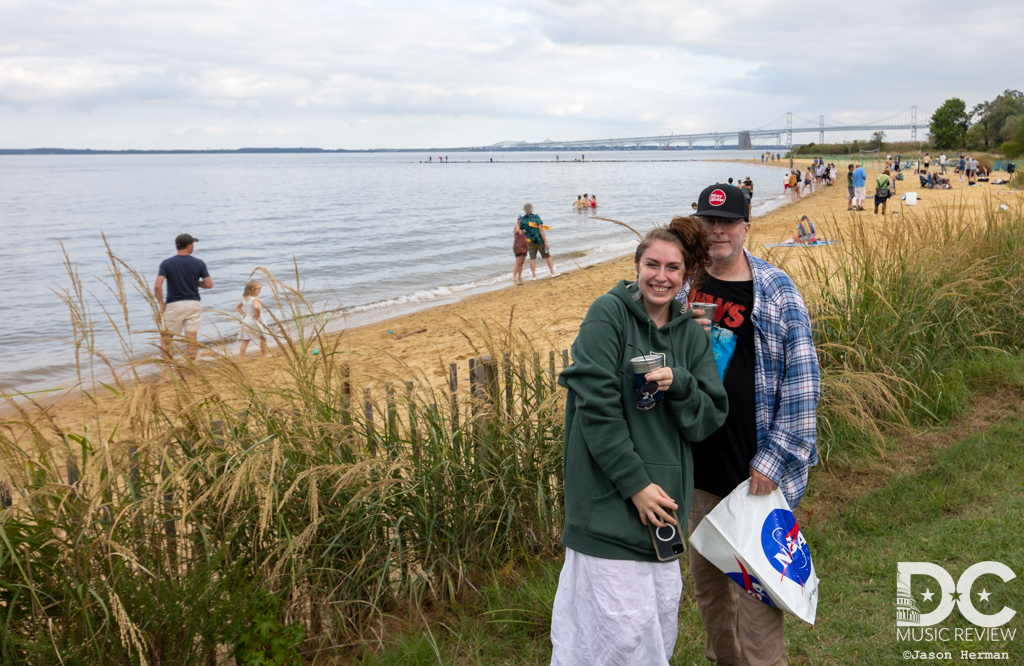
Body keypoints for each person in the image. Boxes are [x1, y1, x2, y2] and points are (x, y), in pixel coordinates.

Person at [550, 217, 729, 666]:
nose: (661, 276)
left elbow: (707, 419)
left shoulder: (691, 333)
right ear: (636, 265)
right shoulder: (607, 315)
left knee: (657, 627)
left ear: (686, 276)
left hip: (665, 510)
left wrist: (682, 382)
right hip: (610, 503)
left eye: (673, 269)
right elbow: (597, 411)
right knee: (617, 635)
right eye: (652, 264)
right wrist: (635, 485)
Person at [679, 183, 820, 666]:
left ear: (745, 227)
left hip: (755, 480)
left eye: (727, 222)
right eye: (708, 221)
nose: (717, 231)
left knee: (760, 607)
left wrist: (773, 461)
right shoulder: (682, 283)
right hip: (696, 477)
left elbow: (803, 383)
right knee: (712, 603)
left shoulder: (775, 288)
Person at [154, 233, 213, 380]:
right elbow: (208, 284)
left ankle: (167, 373)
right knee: (191, 339)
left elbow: (157, 286)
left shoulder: (166, 263)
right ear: (189, 246)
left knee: (167, 338)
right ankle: (189, 373)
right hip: (193, 303)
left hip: (174, 304)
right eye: (192, 244)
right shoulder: (199, 263)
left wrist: (161, 303)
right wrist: (194, 282)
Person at [519, 203, 557, 278]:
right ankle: (552, 273)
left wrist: (525, 231)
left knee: (532, 258)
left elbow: (520, 233)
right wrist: (545, 241)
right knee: (547, 256)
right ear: (532, 209)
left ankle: (534, 276)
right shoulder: (536, 217)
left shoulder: (523, 219)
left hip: (530, 241)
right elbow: (541, 229)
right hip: (539, 240)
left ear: (524, 210)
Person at [236, 280, 272, 359]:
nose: (260, 291)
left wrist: (243, 315)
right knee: (263, 338)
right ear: (253, 290)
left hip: (247, 321)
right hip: (255, 322)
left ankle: (240, 358)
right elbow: (256, 307)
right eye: (258, 289)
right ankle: (264, 354)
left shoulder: (244, 299)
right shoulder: (254, 299)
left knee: (246, 340)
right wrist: (258, 315)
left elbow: (238, 307)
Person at [513, 217, 528, 285]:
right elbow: (521, 232)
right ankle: (514, 277)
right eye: (520, 220)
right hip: (518, 247)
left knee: (522, 262)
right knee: (518, 263)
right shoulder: (517, 227)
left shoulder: (524, 227)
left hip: (524, 246)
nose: (521, 221)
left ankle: (519, 276)